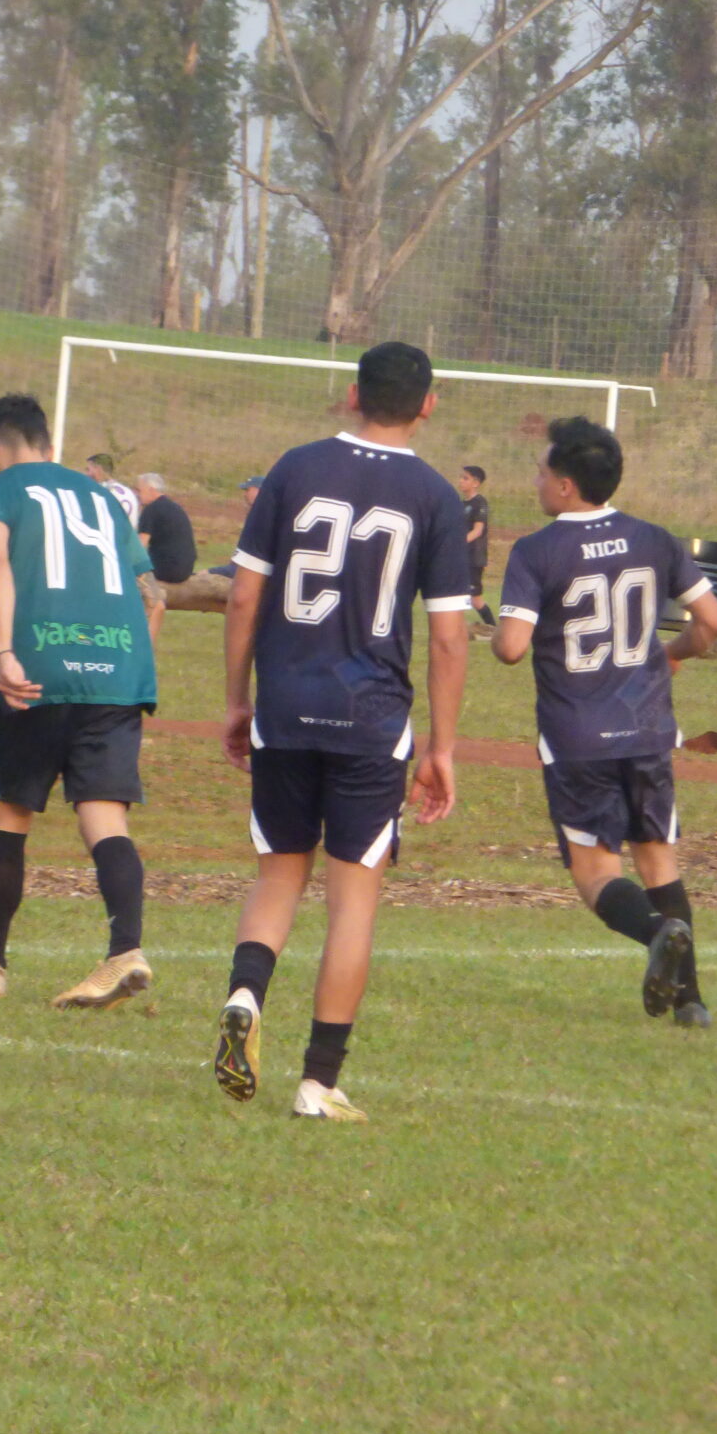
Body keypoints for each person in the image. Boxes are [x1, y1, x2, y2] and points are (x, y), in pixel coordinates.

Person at [213, 342, 470, 1120]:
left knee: (277, 877)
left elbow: (243, 597)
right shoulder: (436, 496)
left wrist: (237, 700)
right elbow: (450, 637)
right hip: (371, 720)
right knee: (353, 902)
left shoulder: (294, 468)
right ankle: (318, 1083)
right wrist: (442, 748)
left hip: (286, 708)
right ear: (428, 405)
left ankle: (246, 995)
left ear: (353, 394)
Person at [491, 417, 717, 1027]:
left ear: (566, 485)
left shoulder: (537, 550)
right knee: (659, 861)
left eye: (541, 472)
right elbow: (714, 622)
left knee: (595, 873)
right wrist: (670, 654)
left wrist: (495, 635)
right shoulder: (656, 539)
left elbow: (512, 647)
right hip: (645, 728)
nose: (536, 481)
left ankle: (655, 934)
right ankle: (691, 1002)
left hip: (578, 736)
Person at [0, 394, 161, 1008]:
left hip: (39, 666)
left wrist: (4, 651)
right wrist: (130, 658)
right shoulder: (103, 497)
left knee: (10, 811)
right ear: (49, 444)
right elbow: (152, 593)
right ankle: (126, 950)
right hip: (118, 669)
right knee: (105, 818)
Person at [135, 473, 196, 583]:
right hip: (186, 570)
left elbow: (140, 546)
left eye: (140, 491)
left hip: (165, 570)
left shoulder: (150, 510)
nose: (138, 495)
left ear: (151, 490)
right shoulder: (176, 507)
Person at [460, 464, 498, 625]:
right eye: (461, 477)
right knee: (458, 594)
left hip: (473, 558)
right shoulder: (462, 504)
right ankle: (456, 628)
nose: (461, 481)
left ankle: (493, 628)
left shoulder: (480, 503)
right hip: (461, 557)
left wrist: (457, 543)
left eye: (465, 478)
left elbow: (477, 531)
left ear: (475, 483)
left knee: (475, 599)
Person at [207, 475, 266, 578]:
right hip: (248, 569)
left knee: (206, 574)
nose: (245, 494)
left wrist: (211, 572)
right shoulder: (258, 516)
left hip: (251, 572)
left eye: (247, 490)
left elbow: (243, 565)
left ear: (258, 491)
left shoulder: (261, 519)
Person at [85, 452, 139, 525]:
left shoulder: (104, 492)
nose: (87, 474)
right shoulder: (128, 491)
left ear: (98, 469)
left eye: (88, 470)